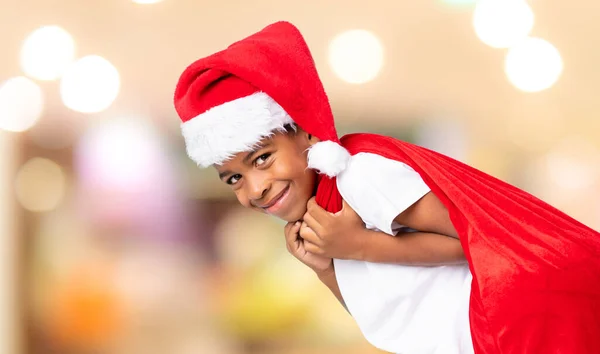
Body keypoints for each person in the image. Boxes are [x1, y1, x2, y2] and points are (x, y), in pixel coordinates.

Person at [173, 21, 600, 354]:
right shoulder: (319, 218)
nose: (255, 188)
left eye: (262, 158)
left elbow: (471, 239)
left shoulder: (360, 175)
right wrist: (324, 265)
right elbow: (375, 307)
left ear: (304, 133)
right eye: (233, 179)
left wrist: (356, 245)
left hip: (504, 321)